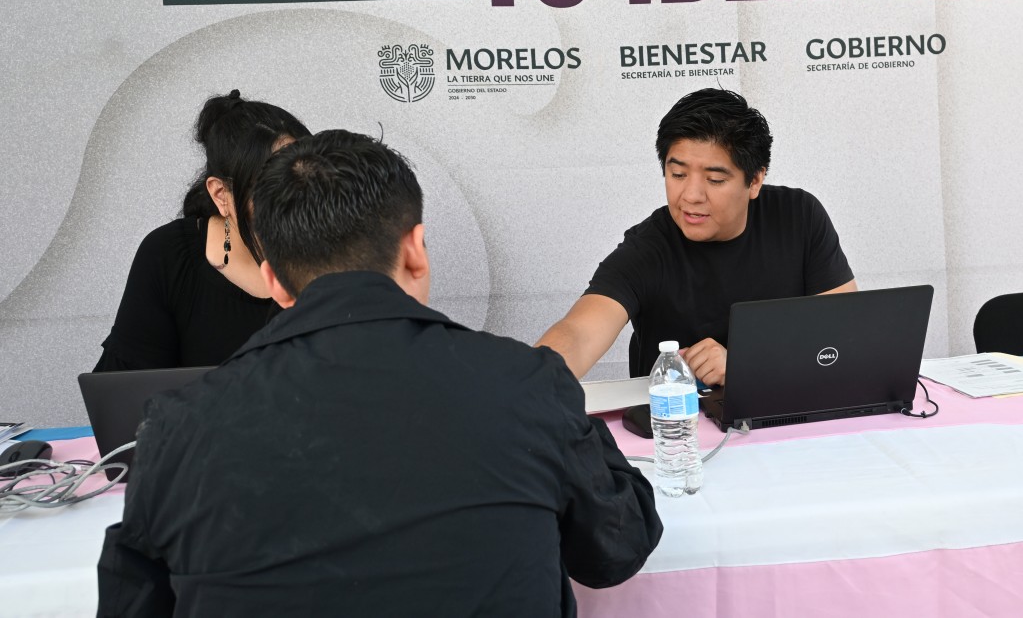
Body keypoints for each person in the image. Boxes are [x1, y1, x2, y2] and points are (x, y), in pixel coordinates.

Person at [96, 130, 662, 617]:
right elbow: (617, 549)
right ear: (416, 251)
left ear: (274, 280)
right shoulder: (528, 385)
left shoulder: (176, 428)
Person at [538, 88, 856, 386]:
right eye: (677, 174)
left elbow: (842, 334)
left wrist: (746, 365)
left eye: (715, 179)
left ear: (755, 179)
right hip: (680, 432)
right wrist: (523, 385)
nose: (690, 196)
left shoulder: (799, 216)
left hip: (785, 416)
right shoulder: (648, 249)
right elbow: (578, 334)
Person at [92, 90, 310, 371]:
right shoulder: (168, 256)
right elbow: (125, 392)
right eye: (273, 185)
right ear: (221, 195)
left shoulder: (338, 249)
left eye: (305, 176)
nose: (298, 197)